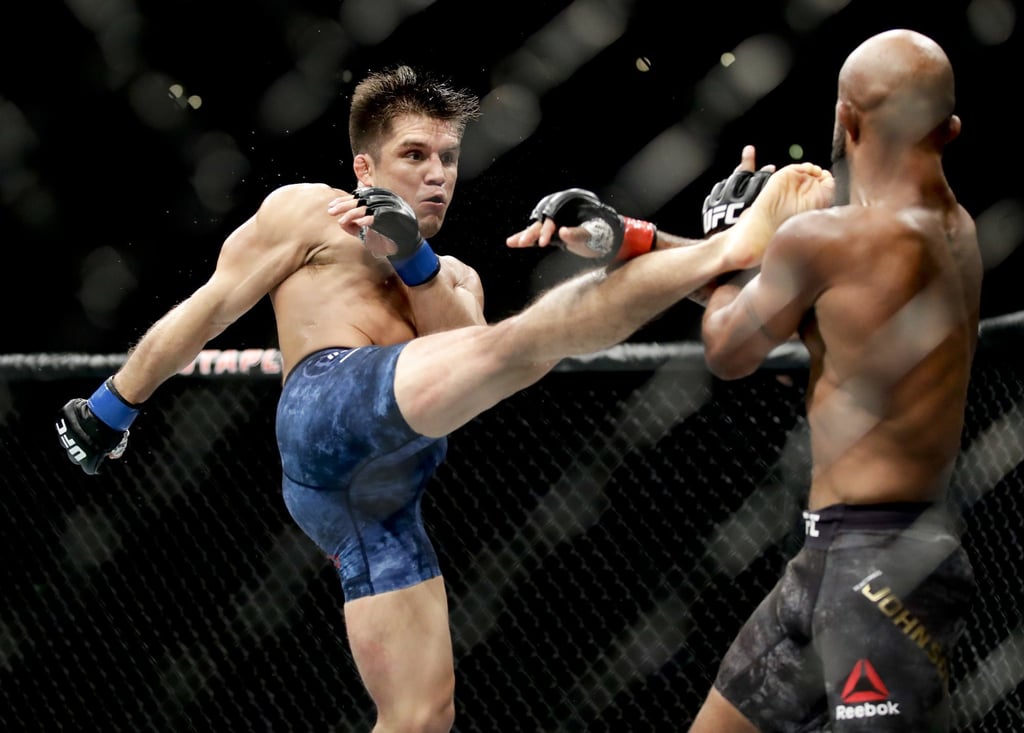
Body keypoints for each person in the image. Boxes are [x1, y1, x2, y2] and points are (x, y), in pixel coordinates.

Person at [53, 64, 834, 731]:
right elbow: (209, 309)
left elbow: (474, 363)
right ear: (365, 167)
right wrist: (112, 405)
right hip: (327, 411)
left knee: (422, 715)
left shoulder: (456, 276)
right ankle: (725, 248)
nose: (437, 173)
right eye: (414, 154)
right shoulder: (309, 212)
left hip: (379, 503)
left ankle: (705, 250)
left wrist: (416, 261)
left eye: (449, 157)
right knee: (529, 344)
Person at [688, 29, 981, 732]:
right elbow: (791, 302)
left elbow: (728, 348)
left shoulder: (830, 241)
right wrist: (628, 239)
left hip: (877, 572)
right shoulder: (955, 231)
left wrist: (736, 238)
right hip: (836, 553)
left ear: (847, 119)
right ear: (949, 130)